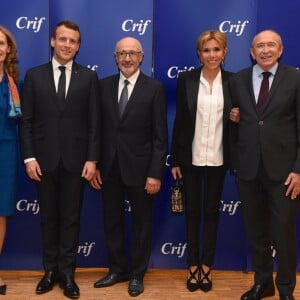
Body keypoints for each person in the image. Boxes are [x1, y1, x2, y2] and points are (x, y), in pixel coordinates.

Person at [20, 20, 100, 299]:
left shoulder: (88, 78)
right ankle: (50, 271)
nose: (68, 45)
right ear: (53, 41)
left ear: (78, 46)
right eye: (63, 39)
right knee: (48, 218)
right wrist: (29, 157)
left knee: (70, 218)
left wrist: (92, 159)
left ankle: (67, 273)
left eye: (73, 41)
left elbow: (94, 124)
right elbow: (26, 122)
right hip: (43, 162)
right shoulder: (33, 76)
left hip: (77, 163)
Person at [90, 37, 168, 297]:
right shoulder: (102, 86)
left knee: (142, 224)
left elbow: (160, 136)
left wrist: (155, 173)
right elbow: (96, 130)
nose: (127, 58)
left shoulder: (155, 89)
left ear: (141, 56)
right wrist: (96, 164)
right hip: (109, 168)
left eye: (132, 53)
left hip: (141, 170)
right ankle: (117, 269)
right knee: (112, 221)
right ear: (115, 56)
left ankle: (137, 273)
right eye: (122, 53)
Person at [229, 30, 300, 300]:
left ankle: (285, 289)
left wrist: (298, 169)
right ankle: (263, 283)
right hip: (248, 170)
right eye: (260, 45)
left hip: (284, 173)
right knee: (256, 232)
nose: (266, 50)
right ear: (251, 51)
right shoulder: (238, 80)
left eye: (271, 45)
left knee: (283, 234)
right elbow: (237, 120)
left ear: (280, 50)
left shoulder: (296, 78)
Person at [170, 30, 236, 293]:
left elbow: (241, 119)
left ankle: (207, 267)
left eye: (216, 50)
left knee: (211, 213)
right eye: (206, 50)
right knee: (193, 214)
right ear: (199, 54)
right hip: (191, 158)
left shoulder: (234, 81)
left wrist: (238, 118)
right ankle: (192, 265)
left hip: (219, 158)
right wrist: (175, 158)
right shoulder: (186, 79)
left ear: (224, 52)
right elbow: (180, 122)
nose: (211, 55)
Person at [0, 25, 22, 296]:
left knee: (1, 211)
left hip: (6, 151)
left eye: (2, 43)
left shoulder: (13, 81)